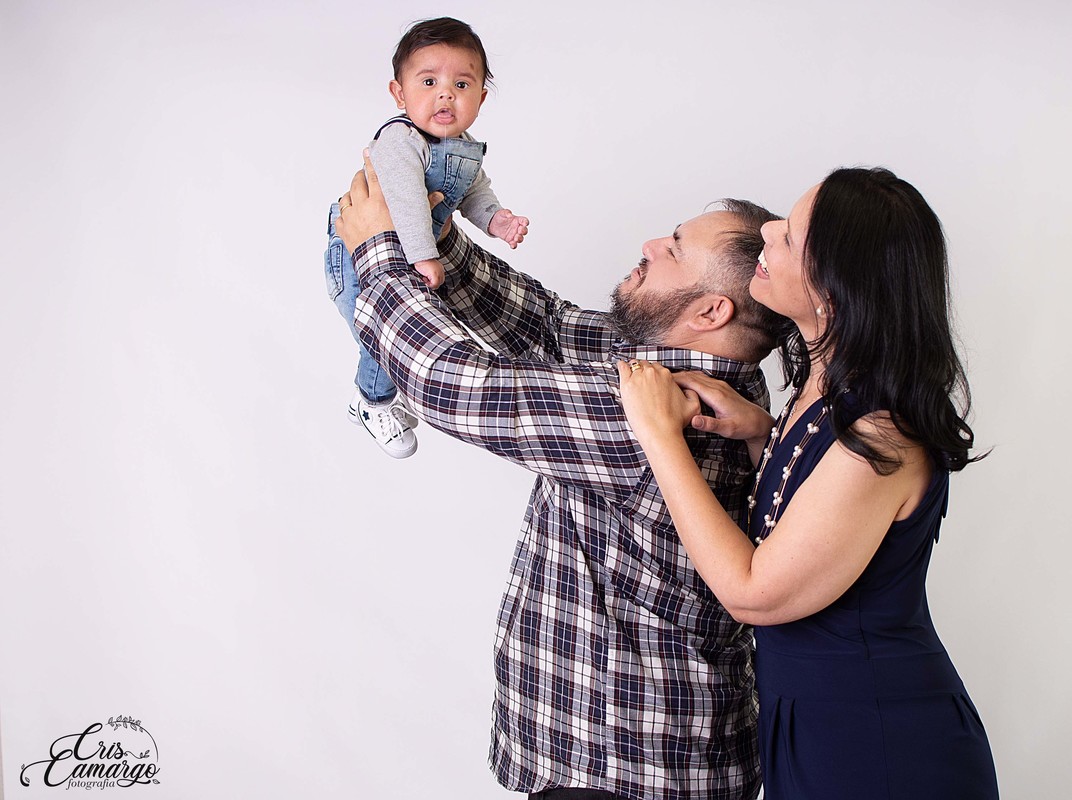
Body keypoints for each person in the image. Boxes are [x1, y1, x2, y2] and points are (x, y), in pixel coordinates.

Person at [335, 155, 791, 800]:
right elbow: (546, 325)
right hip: (634, 760)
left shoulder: (666, 407)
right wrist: (434, 236)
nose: (651, 245)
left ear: (712, 312)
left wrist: (378, 255)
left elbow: (451, 384)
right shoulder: (683, 374)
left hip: (624, 770)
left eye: (674, 248)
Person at [618, 168, 1001, 798]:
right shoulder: (824, 385)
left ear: (833, 290)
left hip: (875, 740)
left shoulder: (883, 434)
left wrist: (660, 438)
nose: (768, 231)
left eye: (790, 236)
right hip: (812, 719)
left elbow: (753, 594)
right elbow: (810, 509)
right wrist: (762, 434)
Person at [324, 17, 529, 458]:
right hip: (357, 256)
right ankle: (372, 403)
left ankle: (374, 395)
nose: (445, 94)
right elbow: (408, 203)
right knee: (383, 335)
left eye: (461, 84)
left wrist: (497, 220)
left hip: (405, 257)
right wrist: (424, 255)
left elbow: (475, 194)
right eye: (429, 81)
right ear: (399, 93)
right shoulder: (400, 139)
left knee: (403, 337)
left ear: (481, 98)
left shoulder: (463, 146)